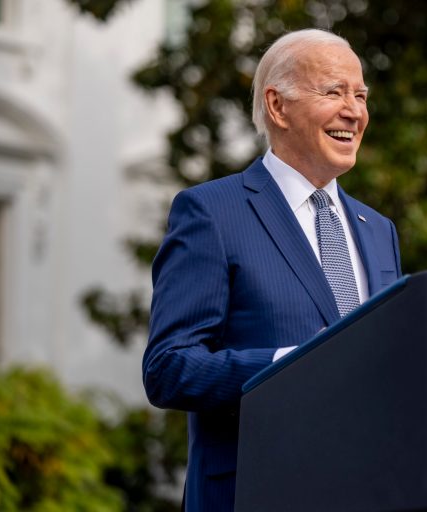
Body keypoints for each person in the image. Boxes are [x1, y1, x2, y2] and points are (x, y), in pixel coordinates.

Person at [142, 29, 402, 511]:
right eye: (334, 92)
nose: (355, 111)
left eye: (361, 95)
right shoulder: (212, 213)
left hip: (366, 490)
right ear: (278, 107)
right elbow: (168, 368)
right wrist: (291, 364)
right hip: (254, 491)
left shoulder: (378, 229)